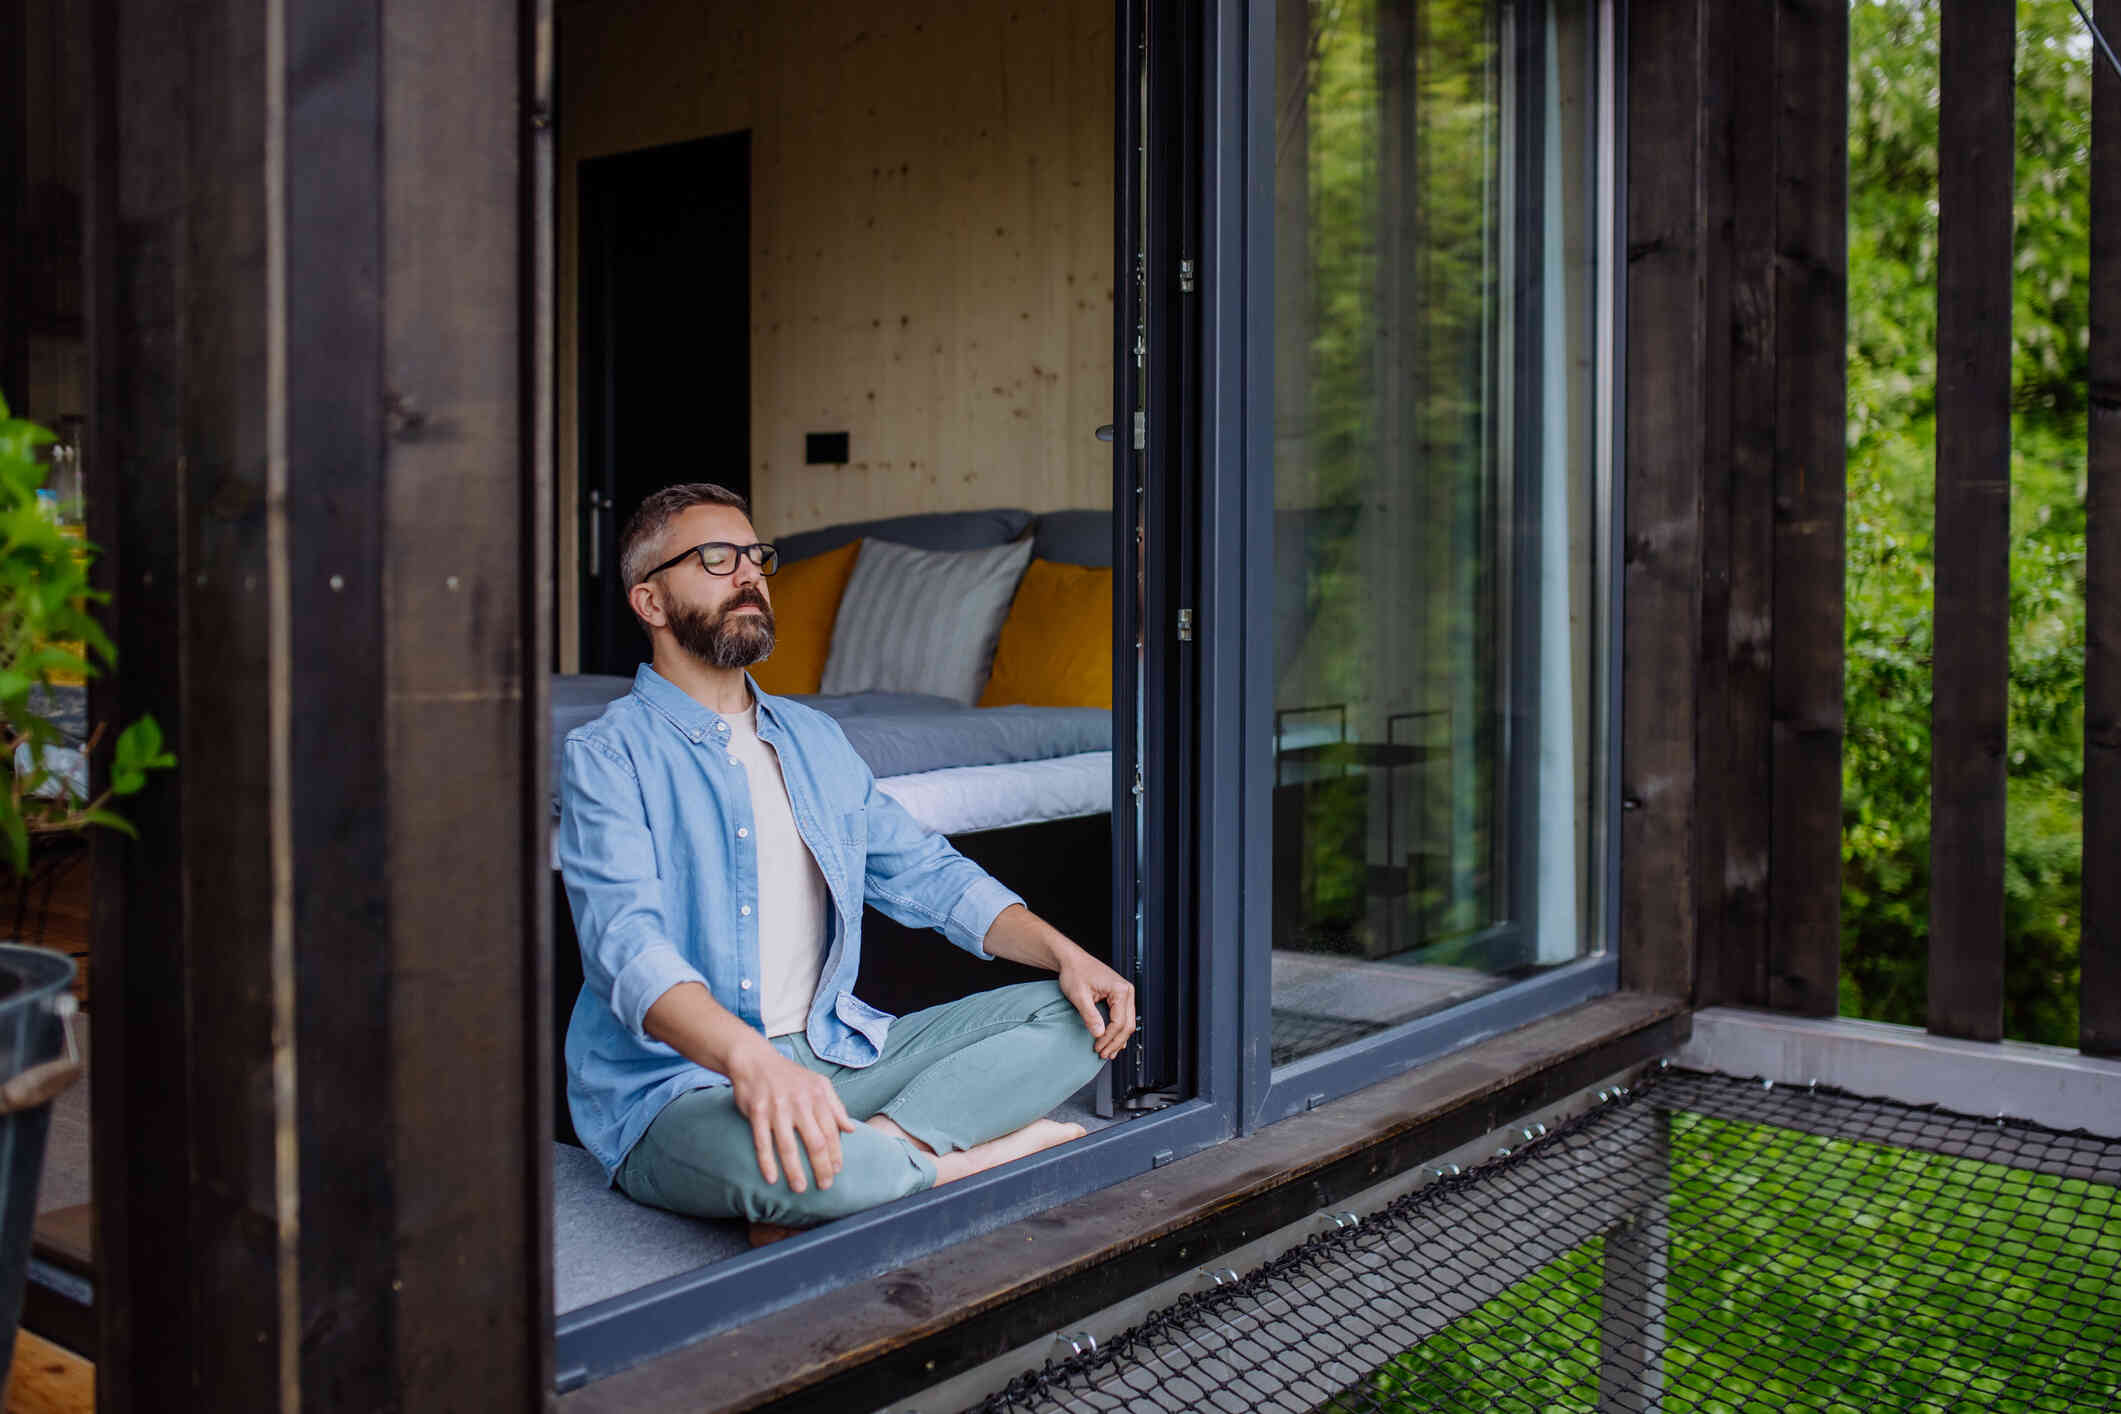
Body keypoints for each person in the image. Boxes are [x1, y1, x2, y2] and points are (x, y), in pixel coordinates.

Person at [560, 482, 1134, 1241]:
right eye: (715, 560)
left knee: (1073, 1014)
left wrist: (1064, 952)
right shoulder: (607, 753)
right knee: (785, 1168)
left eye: (756, 558)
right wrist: (750, 1062)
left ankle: (867, 1163)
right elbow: (625, 950)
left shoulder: (814, 737)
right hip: (678, 1086)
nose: (749, 577)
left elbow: (926, 872)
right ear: (651, 603)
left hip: (833, 1052)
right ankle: (968, 1162)